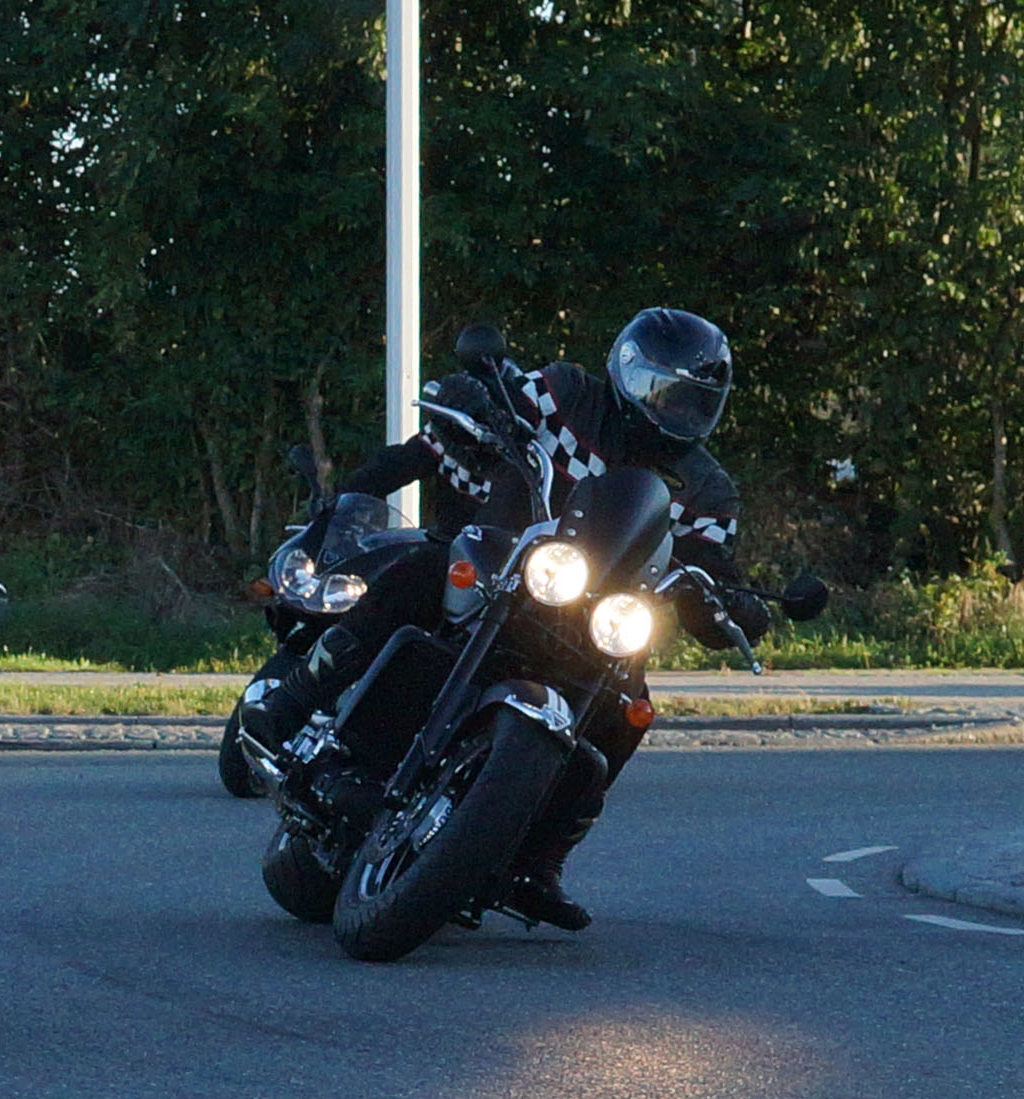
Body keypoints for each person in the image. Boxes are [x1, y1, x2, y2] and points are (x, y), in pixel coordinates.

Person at [242, 307, 769, 930]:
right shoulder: (565, 393)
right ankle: (294, 695)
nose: (674, 409)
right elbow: (502, 404)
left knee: (631, 708)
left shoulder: (707, 489)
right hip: (510, 558)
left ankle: (541, 861)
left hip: (597, 617)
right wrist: (476, 401)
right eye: (665, 392)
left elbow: (713, 565)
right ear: (629, 374)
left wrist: (737, 605)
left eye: (691, 401)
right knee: (422, 571)